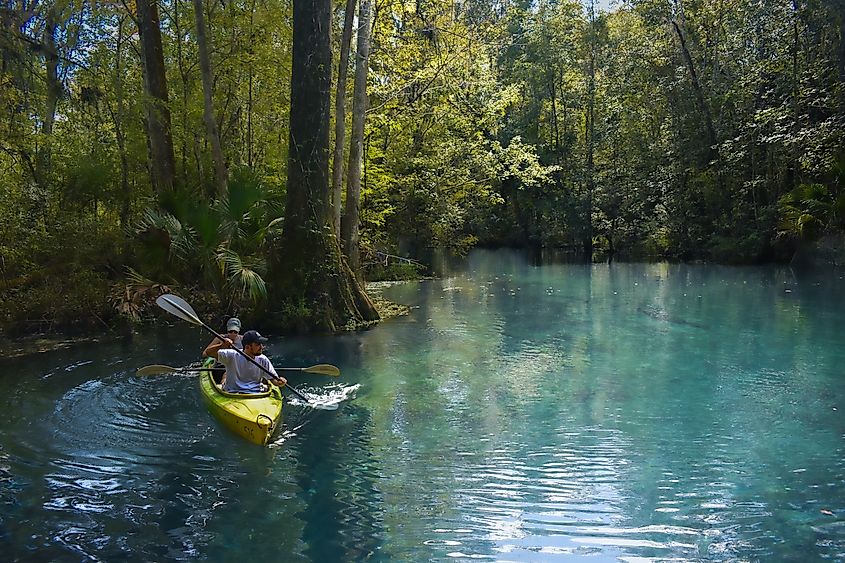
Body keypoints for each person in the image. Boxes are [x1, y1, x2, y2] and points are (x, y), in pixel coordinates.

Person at [203, 329, 287, 394]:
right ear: (247, 347)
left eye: (261, 344)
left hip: (256, 394)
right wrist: (221, 345)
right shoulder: (232, 355)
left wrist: (280, 382)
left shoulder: (263, 359)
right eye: (258, 344)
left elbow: (273, 380)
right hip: (232, 393)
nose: (262, 347)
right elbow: (208, 353)